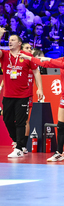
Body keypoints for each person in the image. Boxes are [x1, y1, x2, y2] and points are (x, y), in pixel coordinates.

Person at [19, 40, 64, 162]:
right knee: (60, 125)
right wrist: (29, 58)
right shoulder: (61, 60)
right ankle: (58, 153)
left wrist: (48, 59)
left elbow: (62, 65)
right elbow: (46, 65)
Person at [0, 28, 44, 158]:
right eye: (9, 40)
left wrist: (40, 88)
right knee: (7, 120)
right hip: (7, 95)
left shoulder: (27, 56)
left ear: (19, 43)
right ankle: (18, 142)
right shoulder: (5, 55)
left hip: (23, 95)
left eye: (13, 40)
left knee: (21, 121)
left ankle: (19, 147)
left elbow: (36, 72)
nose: (10, 42)